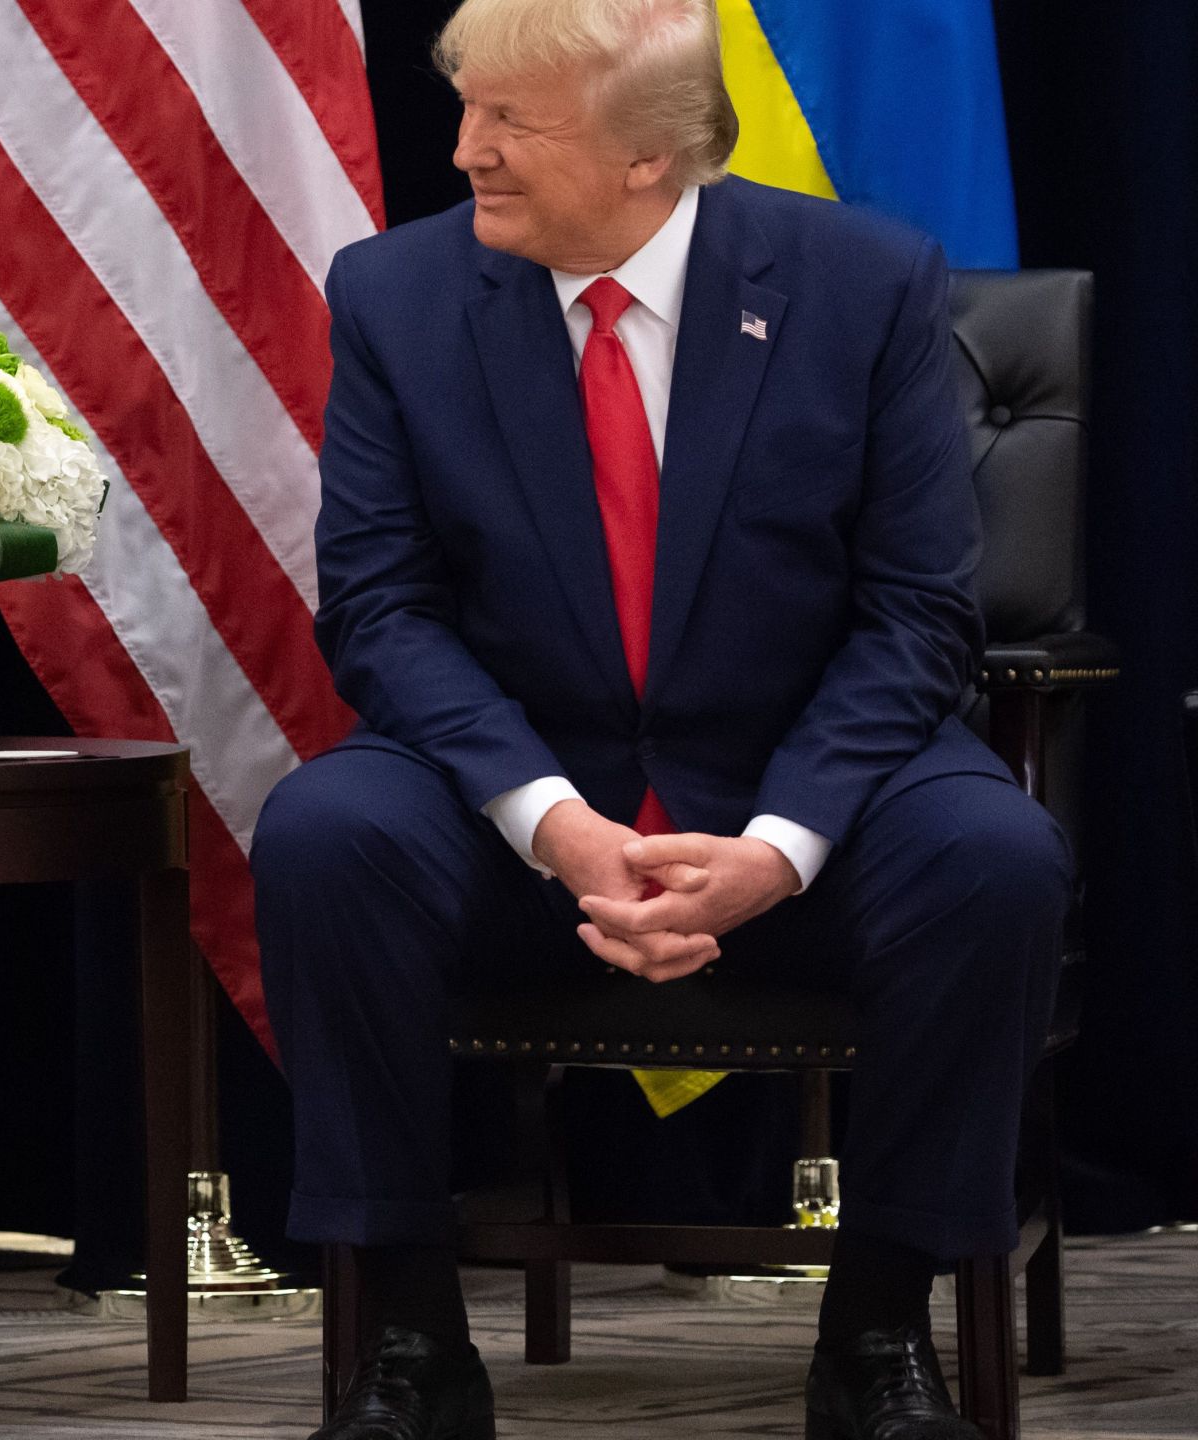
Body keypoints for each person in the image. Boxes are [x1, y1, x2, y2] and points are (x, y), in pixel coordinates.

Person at [249, 2, 1068, 1437]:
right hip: (517, 808)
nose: (466, 151)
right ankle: (410, 1348)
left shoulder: (865, 284)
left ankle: (878, 1336)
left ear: (652, 158)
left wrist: (779, 845)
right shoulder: (397, 294)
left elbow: (916, 620)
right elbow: (382, 607)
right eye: (467, 109)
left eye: (514, 122)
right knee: (328, 835)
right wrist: (554, 822)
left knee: (994, 856)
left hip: (800, 797)